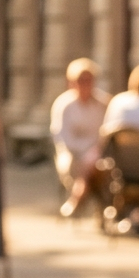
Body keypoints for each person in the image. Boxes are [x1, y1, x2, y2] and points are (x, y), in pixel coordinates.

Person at [50, 58, 105, 217]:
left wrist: (94, 151)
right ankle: (79, 200)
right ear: (72, 83)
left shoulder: (102, 103)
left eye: (89, 80)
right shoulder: (64, 105)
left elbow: (105, 132)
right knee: (86, 167)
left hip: (96, 155)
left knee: (97, 166)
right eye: (81, 81)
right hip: (72, 155)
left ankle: (76, 200)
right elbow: (63, 138)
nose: (85, 85)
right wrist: (86, 152)